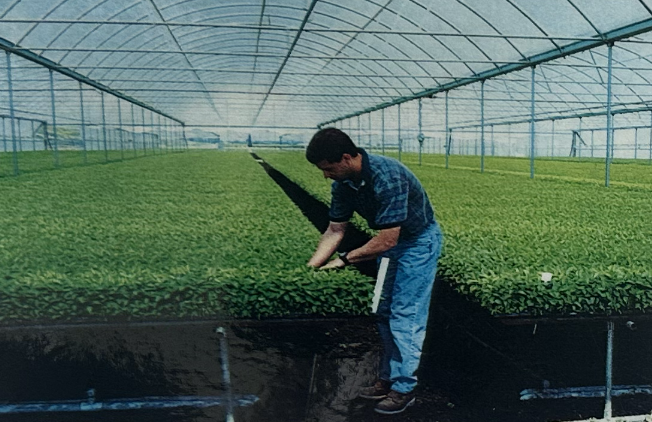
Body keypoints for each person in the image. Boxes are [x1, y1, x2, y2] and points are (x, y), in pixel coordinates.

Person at [305, 127, 444, 415]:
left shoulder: (387, 176)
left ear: (346, 158)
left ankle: (405, 388)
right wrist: (311, 268)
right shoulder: (343, 185)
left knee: (405, 314)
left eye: (329, 169)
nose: (326, 175)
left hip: (417, 243)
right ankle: (388, 378)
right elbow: (335, 229)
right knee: (383, 311)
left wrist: (344, 259)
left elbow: (387, 239)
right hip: (389, 243)